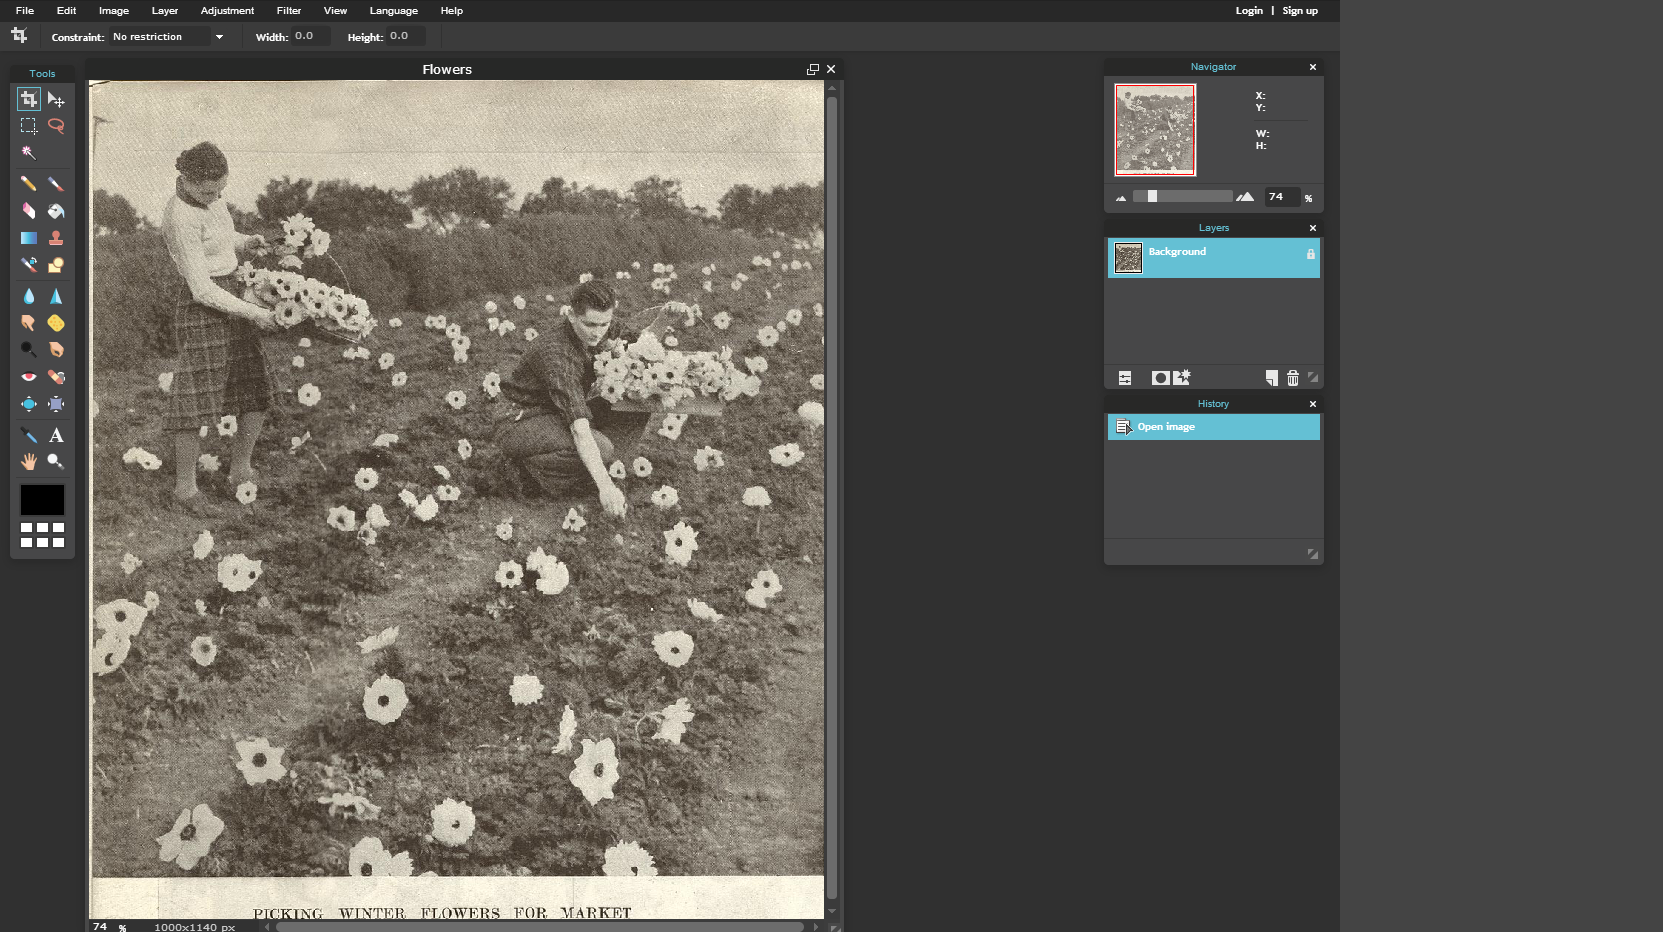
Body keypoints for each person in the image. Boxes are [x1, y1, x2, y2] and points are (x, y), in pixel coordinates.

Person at [159, 141, 280, 514]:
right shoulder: (180, 217)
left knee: (255, 383)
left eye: (220, 189)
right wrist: (255, 313)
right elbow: (201, 288)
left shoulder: (211, 199)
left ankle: (240, 468)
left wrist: (248, 242)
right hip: (203, 305)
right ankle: (185, 489)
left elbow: (221, 238)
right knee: (194, 395)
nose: (215, 196)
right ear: (186, 180)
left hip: (232, 292)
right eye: (208, 191)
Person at [494, 281, 649, 517]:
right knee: (601, 447)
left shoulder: (605, 326)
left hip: (557, 412)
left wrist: (665, 321)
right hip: (520, 419)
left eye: (604, 324)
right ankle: (525, 474)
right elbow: (578, 428)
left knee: (637, 406)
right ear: (571, 315)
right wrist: (606, 487)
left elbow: (643, 346)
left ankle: (588, 473)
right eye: (589, 324)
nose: (597, 332)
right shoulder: (555, 353)